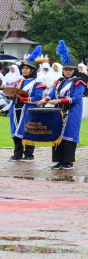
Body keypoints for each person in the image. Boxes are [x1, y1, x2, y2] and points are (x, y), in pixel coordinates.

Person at [44, 41, 84, 170]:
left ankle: (68, 161)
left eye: (70, 70)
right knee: (57, 135)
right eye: (66, 69)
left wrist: (59, 101)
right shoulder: (60, 82)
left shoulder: (79, 83)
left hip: (72, 112)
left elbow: (76, 98)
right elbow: (52, 93)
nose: (67, 72)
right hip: (58, 112)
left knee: (69, 135)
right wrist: (45, 99)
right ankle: (58, 160)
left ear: (74, 71)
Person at [7, 46, 45, 162]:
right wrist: (12, 95)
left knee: (28, 131)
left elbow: (38, 97)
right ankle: (17, 153)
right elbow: (12, 93)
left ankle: (29, 154)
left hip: (29, 109)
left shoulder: (37, 83)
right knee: (15, 131)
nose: (24, 70)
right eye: (23, 68)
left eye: (27, 68)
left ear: (32, 70)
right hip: (16, 108)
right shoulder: (18, 81)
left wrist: (23, 98)